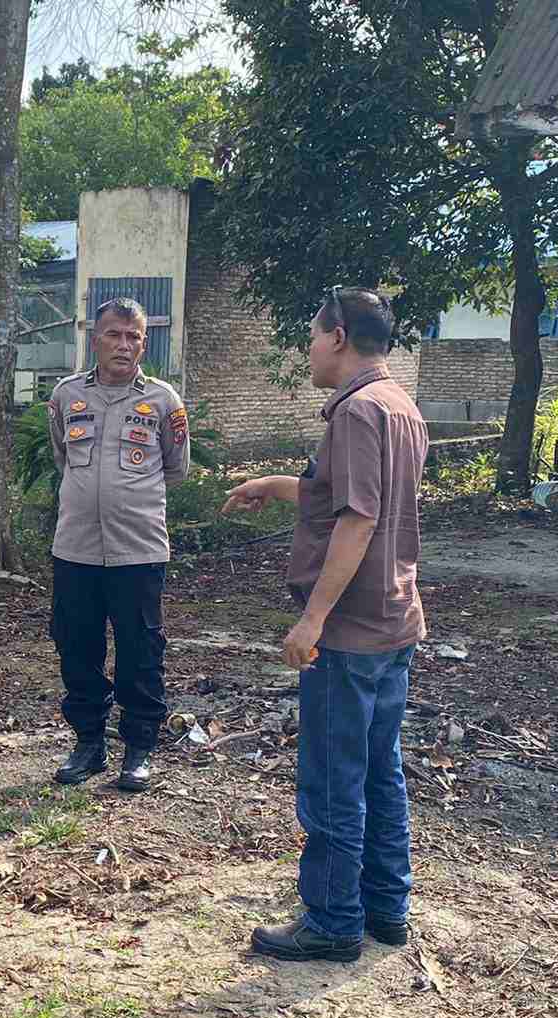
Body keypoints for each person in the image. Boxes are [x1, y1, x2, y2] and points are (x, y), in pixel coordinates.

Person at [222, 286, 428, 963]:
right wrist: (277, 485)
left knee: (334, 778)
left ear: (338, 334)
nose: (308, 348)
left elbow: (359, 518)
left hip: (349, 632)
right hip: (394, 622)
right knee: (378, 770)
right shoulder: (399, 405)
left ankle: (334, 921)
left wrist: (312, 619)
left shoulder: (357, 412)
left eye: (312, 334)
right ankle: (385, 908)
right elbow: (345, 493)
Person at [47, 297, 192, 792]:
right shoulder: (67, 396)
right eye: (115, 334)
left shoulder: (164, 400)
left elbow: (175, 467)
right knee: (76, 647)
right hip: (76, 549)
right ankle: (89, 742)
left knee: (140, 650)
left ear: (144, 343)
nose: (124, 345)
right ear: (95, 337)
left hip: (139, 551)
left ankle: (138, 748)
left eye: (134, 337)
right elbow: (62, 455)